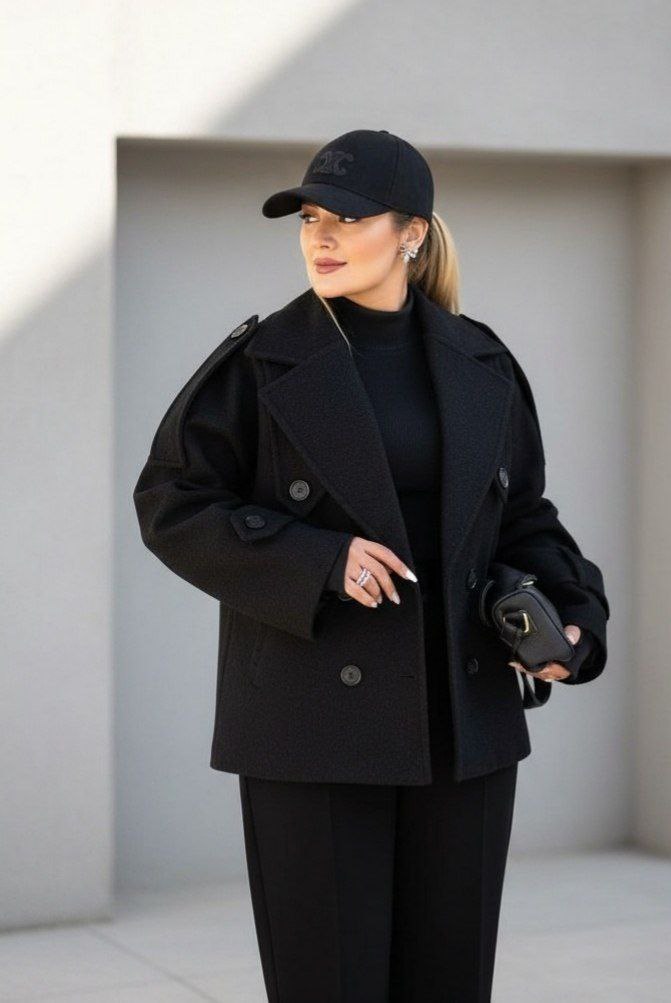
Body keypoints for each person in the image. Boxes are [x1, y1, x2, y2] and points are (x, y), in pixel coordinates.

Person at [133, 128, 609, 1002]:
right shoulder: (262, 362)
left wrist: (573, 613)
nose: (321, 237)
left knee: (449, 982)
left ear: (412, 232)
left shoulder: (481, 361)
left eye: (347, 219)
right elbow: (171, 502)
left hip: (462, 725)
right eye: (309, 218)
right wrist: (318, 559)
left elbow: (523, 515)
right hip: (313, 726)